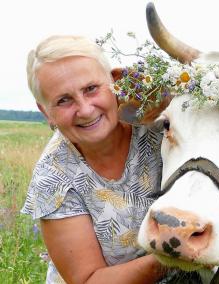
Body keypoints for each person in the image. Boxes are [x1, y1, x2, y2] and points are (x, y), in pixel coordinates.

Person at [21, 35, 167, 284]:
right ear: (45, 111)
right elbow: (89, 280)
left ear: (114, 80)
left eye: (91, 88)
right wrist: (175, 254)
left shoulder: (158, 124)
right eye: (63, 100)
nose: (86, 110)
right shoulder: (53, 178)